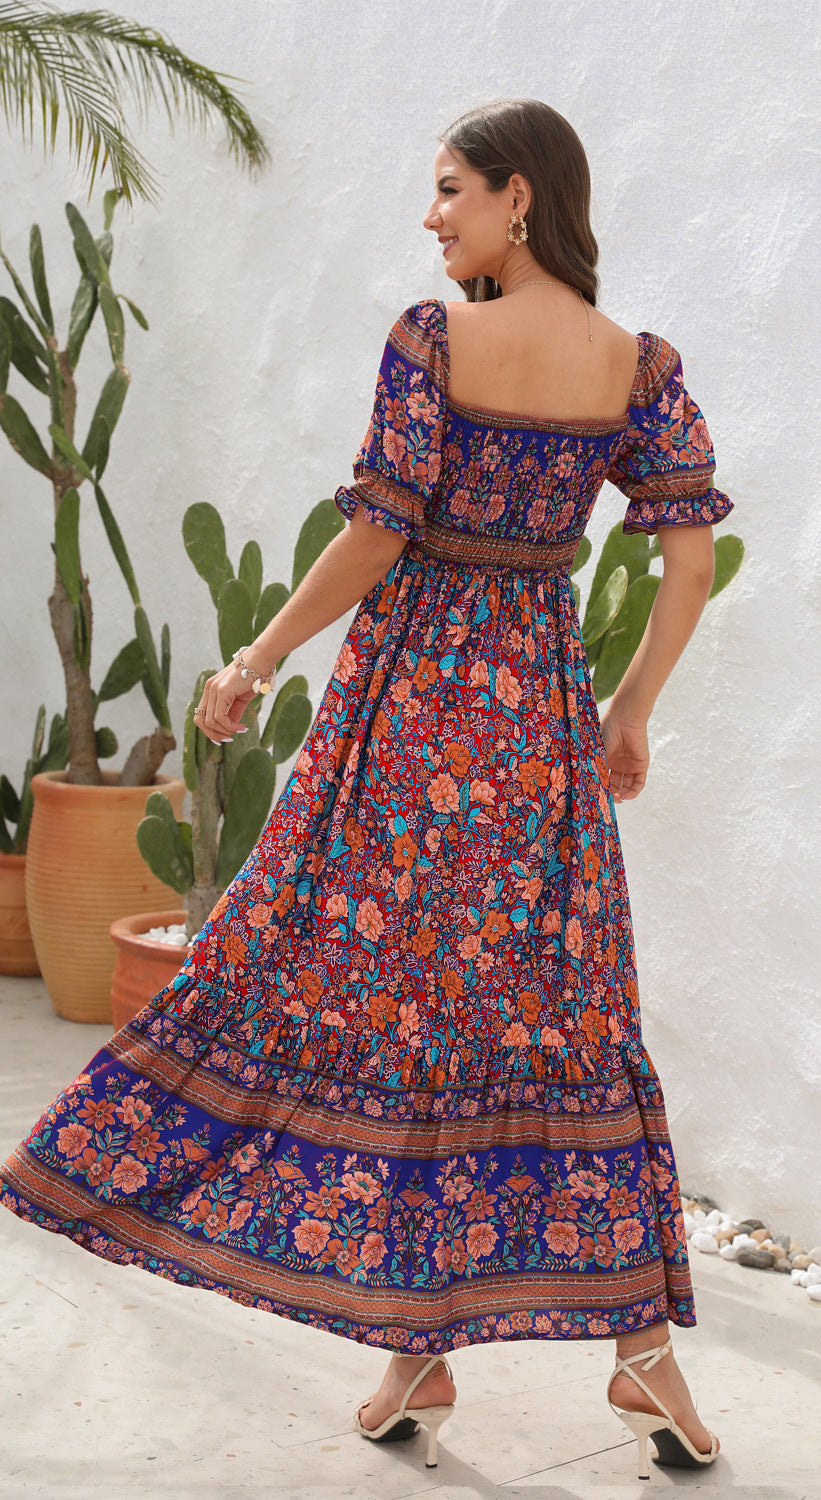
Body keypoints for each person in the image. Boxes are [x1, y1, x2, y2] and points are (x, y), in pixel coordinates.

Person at [1, 98, 732, 1479]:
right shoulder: (638, 365)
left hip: (410, 725)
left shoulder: (434, 339)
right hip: (537, 731)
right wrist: (628, 710)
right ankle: (588, 1357)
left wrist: (258, 652)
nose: (431, 215)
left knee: (371, 998)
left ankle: (430, 1342)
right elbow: (687, 556)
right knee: (561, 1012)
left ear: (521, 200)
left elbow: (382, 528)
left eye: (450, 189)